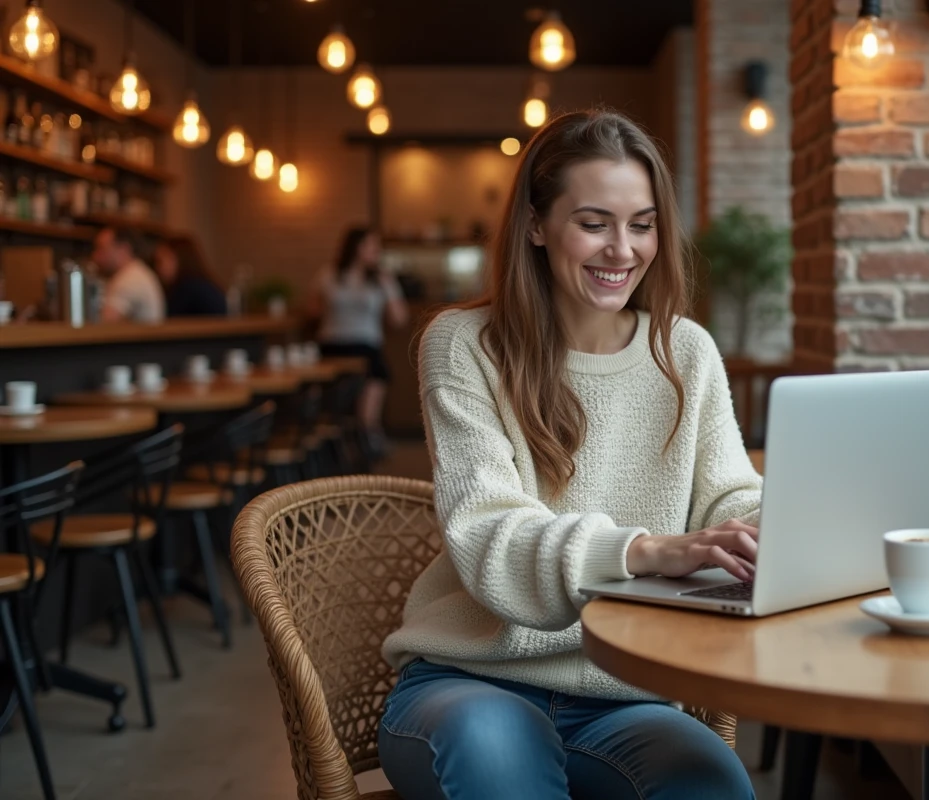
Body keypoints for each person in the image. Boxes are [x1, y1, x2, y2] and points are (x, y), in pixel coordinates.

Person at [377, 109, 761, 800]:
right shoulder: (464, 345)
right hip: (471, 682)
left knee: (715, 786)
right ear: (535, 225)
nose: (623, 249)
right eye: (594, 222)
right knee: (499, 764)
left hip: (627, 695)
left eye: (642, 224)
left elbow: (729, 495)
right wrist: (645, 551)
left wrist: (770, 526)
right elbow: (490, 530)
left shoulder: (686, 351)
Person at [307, 226, 408, 453]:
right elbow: (312, 311)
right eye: (372, 245)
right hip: (331, 347)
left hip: (366, 347)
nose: (377, 251)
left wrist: (388, 287)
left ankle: (367, 443)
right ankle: (336, 451)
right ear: (356, 247)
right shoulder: (328, 274)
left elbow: (399, 319)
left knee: (367, 410)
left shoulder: (381, 279)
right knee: (331, 412)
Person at [93, 226, 165, 323]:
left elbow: (103, 326)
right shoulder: (137, 272)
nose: (95, 256)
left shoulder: (128, 279)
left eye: (102, 249)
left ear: (124, 249)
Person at [153, 235, 227, 317]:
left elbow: (170, 320)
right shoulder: (201, 283)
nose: (158, 268)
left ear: (178, 258)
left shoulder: (187, 288)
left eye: (160, 261)